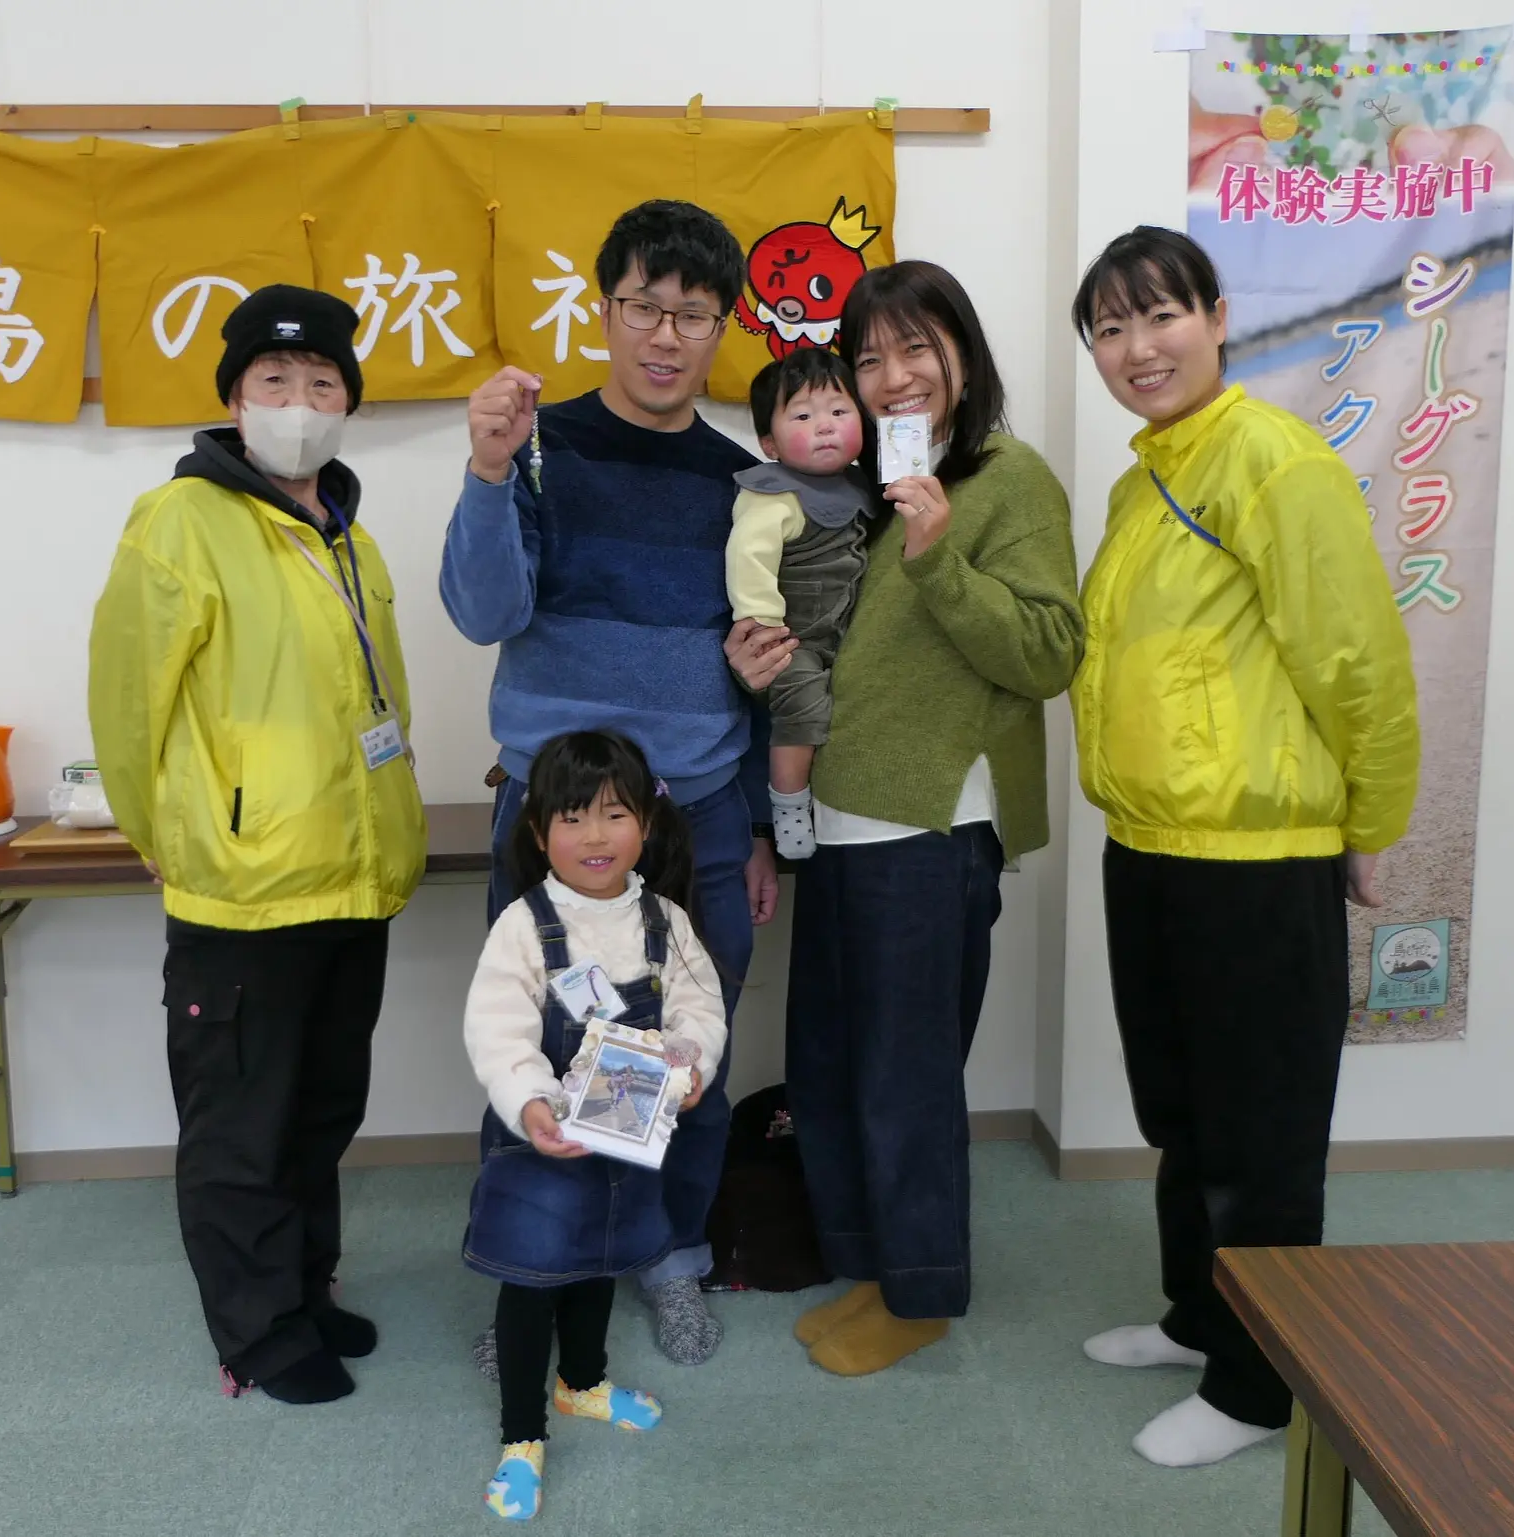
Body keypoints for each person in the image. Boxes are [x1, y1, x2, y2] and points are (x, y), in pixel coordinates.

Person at [1069, 226, 1420, 1466]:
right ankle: (1200, 1315)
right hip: (1150, 845)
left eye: (1159, 315)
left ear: (1217, 315)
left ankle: (1259, 1386)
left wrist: (1370, 821)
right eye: (1110, 328)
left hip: (1256, 860)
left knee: (1260, 1132)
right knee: (1184, 1112)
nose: (1137, 347)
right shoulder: (1145, 480)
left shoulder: (1274, 459)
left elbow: (1356, 656)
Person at [729, 261, 1084, 1375]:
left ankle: (921, 1291)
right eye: (869, 357)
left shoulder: (1007, 480)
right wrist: (759, 659)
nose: (892, 377)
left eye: (916, 348)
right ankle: (868, 1262)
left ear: (962, 354)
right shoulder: (859, 485)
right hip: (834, 822)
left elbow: (1050, 651)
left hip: (930, 829)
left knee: (906, 1077)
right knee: (829, 1064)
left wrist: (939, 561)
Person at [441, 200, 779, 1367]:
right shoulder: (539, 448)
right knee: (540, 1053)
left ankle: (669, 1254)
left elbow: (760, 666)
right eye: (644, 307)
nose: (666, 336)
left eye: (693, 315)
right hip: (557, 822)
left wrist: (759, 827)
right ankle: (536, 1273)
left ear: (722, 327)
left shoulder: (745, 483)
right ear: (605, 309)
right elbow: (484, 611)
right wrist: (489, 471)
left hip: (697, 819)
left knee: (687, 1054)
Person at [88, 285, 427, 1405]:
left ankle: (305, 1290)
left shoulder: (348, 533)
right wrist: (161, 832)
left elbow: (378, 702)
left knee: (320, 1112)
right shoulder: (179, 521)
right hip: (243, 887)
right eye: (274, 382)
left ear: (348, 403)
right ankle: (257, 1330)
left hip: (352, 877)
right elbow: (128, 700)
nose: (299, 403)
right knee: (241, 1123)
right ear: (235, 400)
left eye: (322, 383)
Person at [464, 731, 727, 1523]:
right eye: (573, 818)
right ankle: (521, 1436)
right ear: (538, 829)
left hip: (625, 1139)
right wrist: (531, 1101)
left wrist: (688, 1067)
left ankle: (581, 1383)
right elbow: (498, 1029)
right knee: (532, 1282)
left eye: (614, 814)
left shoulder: (664, 920)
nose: (595, 835)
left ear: (646, 821)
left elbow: (698, 1009)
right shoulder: (524, 924)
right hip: (541, 1143)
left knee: (599, 1263)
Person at [726, 348, 873, 859]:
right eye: (804, 416)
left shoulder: (861, 486)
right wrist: (763, 628)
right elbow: (749, 556)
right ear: (769, 442)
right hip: (793, 639)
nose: (825, 426)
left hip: (847, 632)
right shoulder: (772, 493)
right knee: (804, 706)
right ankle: (788, 804)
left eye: (839, 411)